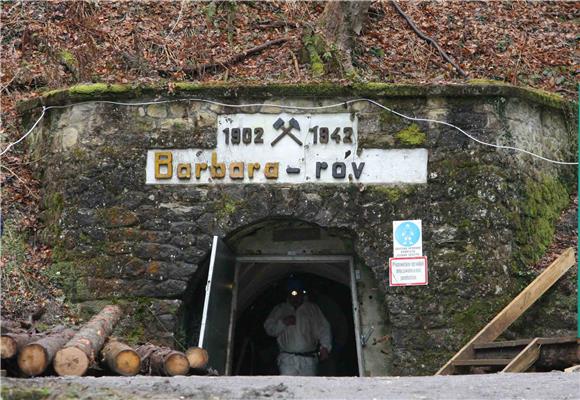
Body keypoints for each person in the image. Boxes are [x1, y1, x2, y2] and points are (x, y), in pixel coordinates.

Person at [264, 277, 332, 376]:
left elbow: (324, 328)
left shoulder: (312, 309)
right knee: (288, 388)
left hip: (308, 361)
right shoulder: (280, 309)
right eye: (292, 294)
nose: (295, 297)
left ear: (303, 294)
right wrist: (283, 323)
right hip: (287, 361)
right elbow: (269, 329)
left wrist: (325, 347)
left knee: (308, 388)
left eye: (298, 294)